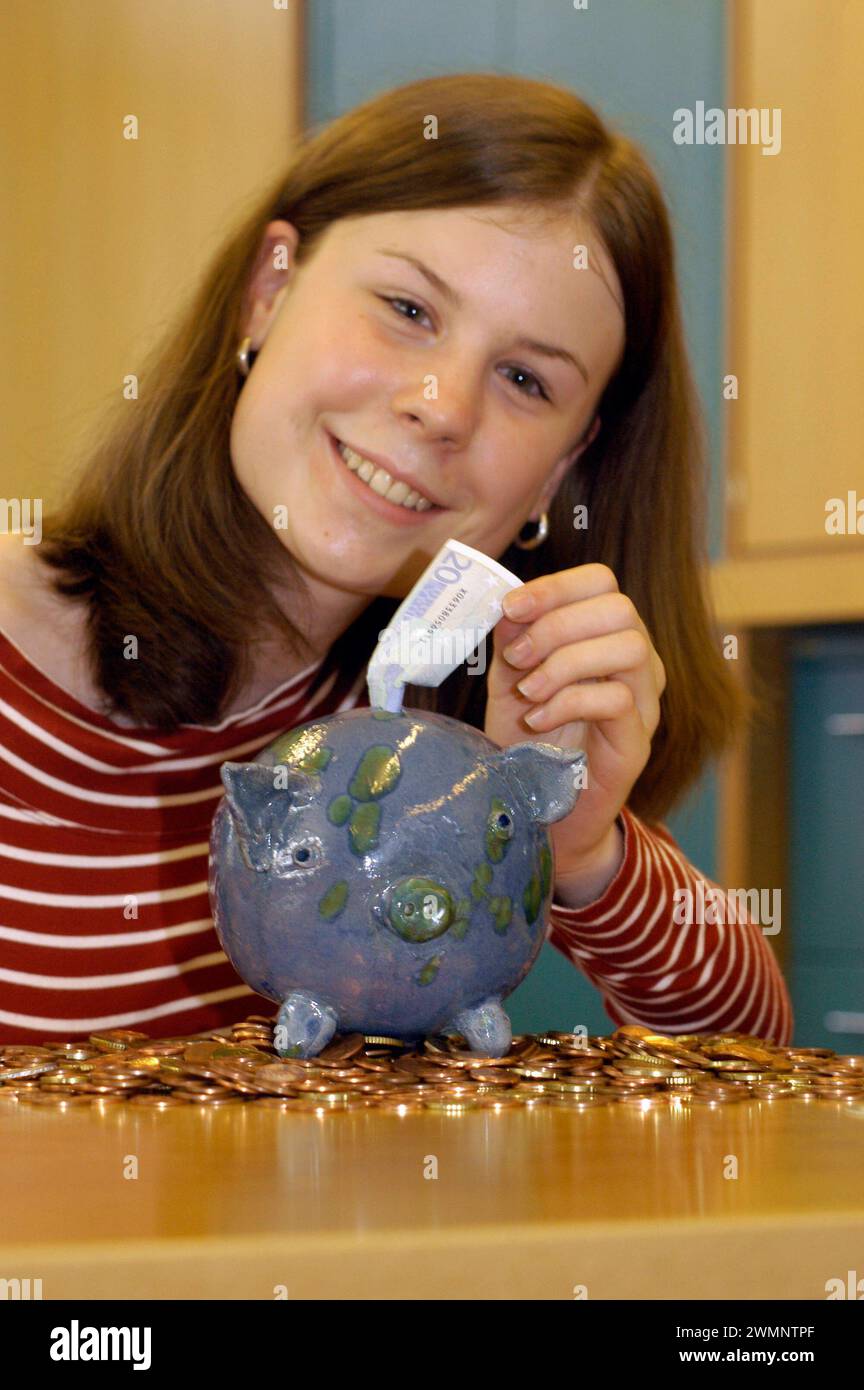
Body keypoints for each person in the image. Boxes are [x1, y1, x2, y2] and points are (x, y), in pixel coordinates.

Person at [0, 73, 792, 1045]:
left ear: (563, 467)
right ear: (269, 291)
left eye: (523, 379)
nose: (443, 406)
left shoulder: (446, 752)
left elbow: (753, 1052)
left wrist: (587, 848)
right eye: (409, 309)